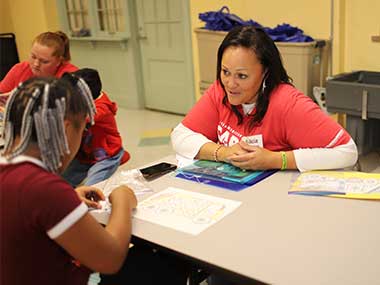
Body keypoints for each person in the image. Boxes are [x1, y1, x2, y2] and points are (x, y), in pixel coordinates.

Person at [0, 77, 189, 285]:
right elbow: (110, 259)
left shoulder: (13, 174)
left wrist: (69, 200)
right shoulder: (45, 190)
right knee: (164, 264)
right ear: (66, 129)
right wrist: (122, 201)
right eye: (82, 131)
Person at [171, 25, 358, 172]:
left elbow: (347, 152)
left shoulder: (288, 104)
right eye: (225, 72)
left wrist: (276, 159)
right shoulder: (220, 91)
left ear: (265, 73)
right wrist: (223, 152)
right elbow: (180, 135)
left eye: (242, 76)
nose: (230, 83)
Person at [61, 68, 130, 187]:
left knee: (92, 187)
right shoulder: (85, 103)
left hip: (106, 157)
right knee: (62, 180)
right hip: (85, 155)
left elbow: (83, 118)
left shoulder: (101, 108)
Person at [0, 31, 77, 95]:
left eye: (44, 61)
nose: (36, 64)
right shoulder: (20, 69)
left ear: (58, 61)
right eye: (33, 57)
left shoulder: (70, 76)